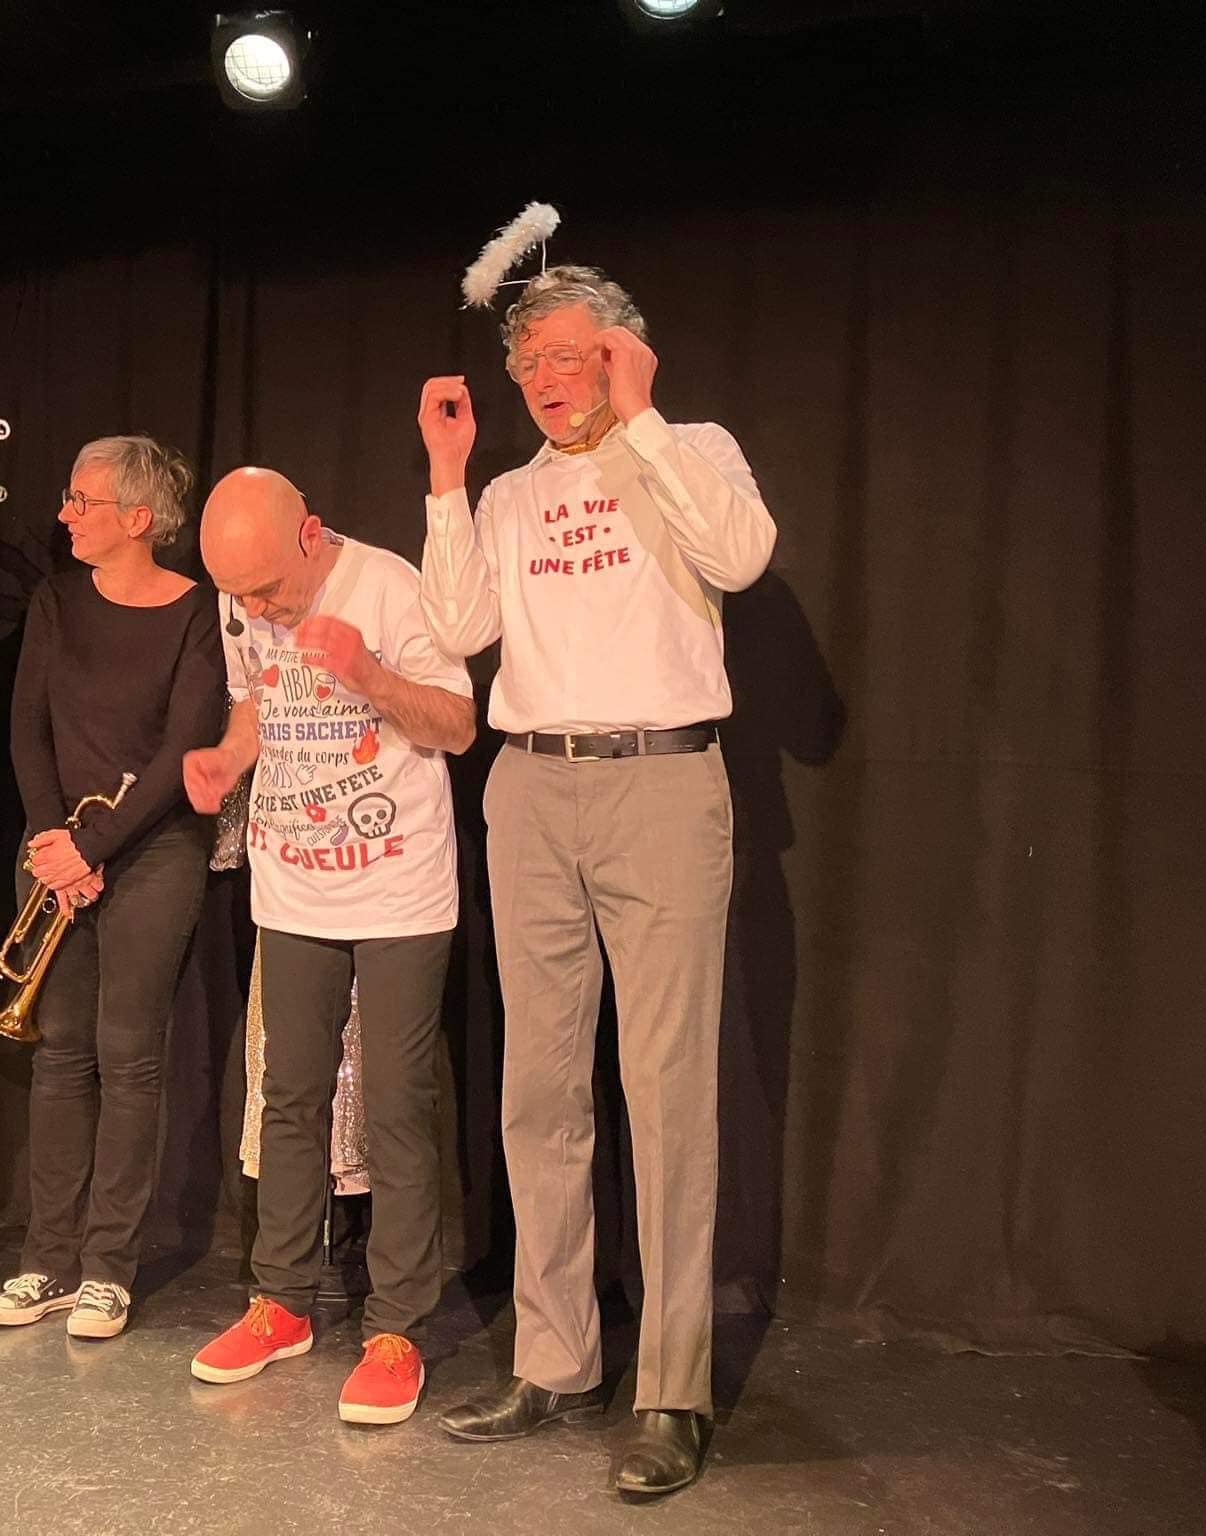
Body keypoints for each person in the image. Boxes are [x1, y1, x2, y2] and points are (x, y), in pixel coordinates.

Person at [417, 263, 776, 1494]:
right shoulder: (509, 493)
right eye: (528, 365)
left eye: (568, 356)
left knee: (665, 1092)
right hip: (530, 788)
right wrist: (447, 479)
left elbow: (739, 555)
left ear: (623, 352)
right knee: (537, 1091)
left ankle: (671, 1391)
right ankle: (553, 1360)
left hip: (659, 782)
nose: (544, 380)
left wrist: (644, 420)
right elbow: (458, 630)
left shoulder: (691, 448)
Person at [181, 467, 475, 1426]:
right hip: (292, 886)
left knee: (394, 1107)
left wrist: (371, 676)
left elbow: (459, 724)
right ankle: (282, 1301)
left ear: (311, 533)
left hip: (397, 889)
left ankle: (396, 1327)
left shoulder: (388, 586)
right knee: (289, 1096)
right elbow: (254, 704)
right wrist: (228, 759)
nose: (257, 609)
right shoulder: (241, 601)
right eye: (240, 595)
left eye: (268, 589)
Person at [0, 435, 225, 1340]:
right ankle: (46, 1259)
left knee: (129, 1057)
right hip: (58, 850)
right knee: (60, 1055)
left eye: (82, 501)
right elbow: (28, 730)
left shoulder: (198, 613)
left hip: (151, 851)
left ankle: (108, 1270)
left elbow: (184, 746)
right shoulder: (56, 602)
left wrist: (96, 846)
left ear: (139, 518)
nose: (65, 515)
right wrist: (56, 841)